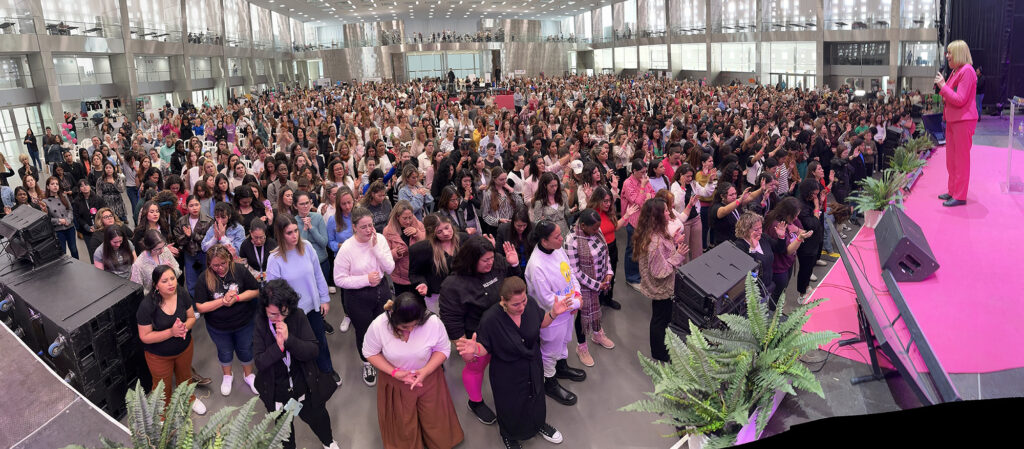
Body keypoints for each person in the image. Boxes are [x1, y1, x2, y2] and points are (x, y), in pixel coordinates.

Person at [454, 276, 569, 449]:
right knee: (510, 405)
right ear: (503, 301)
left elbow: (541, 323)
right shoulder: (491, 319)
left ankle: (538, 424)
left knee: (537, 396)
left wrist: (553, 313)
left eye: (523, 301)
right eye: (516, 304)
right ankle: (509, 435)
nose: (521, 307)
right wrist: (475, 348)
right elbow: (485, 347)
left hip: (532, 364)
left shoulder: (530, 304)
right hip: (506, 372)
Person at [362, 293, 465, 449]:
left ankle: (440, 442)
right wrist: (395, 372)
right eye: (404, 327)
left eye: (415, 325)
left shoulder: (432, 322)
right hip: (396, 382)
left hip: (428, 377)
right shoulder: (379, 325)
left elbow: (443, 349)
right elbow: (370, 352)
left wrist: (425, 371)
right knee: (403, 423)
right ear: (393, 318)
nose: (410, 330)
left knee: (434, 416)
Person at [438, 234, 520, 426]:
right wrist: (463, 347)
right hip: (477, 337)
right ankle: (475, 402)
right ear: (471, 259)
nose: (491, 262)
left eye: (492, 258)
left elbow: (515, 288)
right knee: (475, 368)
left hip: (504, 328)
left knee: (506, 364)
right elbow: (451, 320)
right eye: (485, 260)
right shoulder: (453, 285)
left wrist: (514, 265)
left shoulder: (498, 262)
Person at [253, 280, 341, 449]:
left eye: (283, 312)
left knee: (318, 418)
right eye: (273, 314)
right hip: (278, 391)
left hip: (303, 385)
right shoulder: (260, 323)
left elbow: (313, 350)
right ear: (264, 309)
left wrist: (289, 340)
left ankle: (328, 441)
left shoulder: (298, 315)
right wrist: (278, 348)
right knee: (284, 432)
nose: (279, 318)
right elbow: (260, 362)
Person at [266, 214, 340, 385]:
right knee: (299, 347)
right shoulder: (274, 259)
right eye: (289, 233)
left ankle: (327, 370)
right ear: (280, 234)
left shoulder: (307, 247)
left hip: (313, 307)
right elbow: (273, 291)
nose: (294, 236)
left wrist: (324, 298)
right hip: (292, 314)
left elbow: (318, 274)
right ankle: (307, 377)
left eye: (296, 231)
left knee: (320, 341)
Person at [524, 219, 585, 406]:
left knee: (565, 341)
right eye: (557, 236)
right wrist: (575, 302)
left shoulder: (557, 249)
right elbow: (546, 299)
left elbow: (570, 273)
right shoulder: (536, 265)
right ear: (544, 241)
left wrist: (577, 293)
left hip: (567, 310)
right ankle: (549, 382)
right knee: (550, 350)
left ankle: (562, 367)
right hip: (551, 317)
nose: (562, 238)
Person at [333, 206, 395, 387]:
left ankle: (382, 354)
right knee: (364, 331)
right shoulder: (347, 248)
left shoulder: (379, 239)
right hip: (358, 296)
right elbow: (339, 279)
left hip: (382, 290)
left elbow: (390, 268)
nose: (369, 230)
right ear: (354, 227)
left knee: (384, 325)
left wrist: (376, 249)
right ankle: (367, 363)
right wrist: (365, 279)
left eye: (371, 225)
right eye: (363, 227)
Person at [136, 265, 206, 415]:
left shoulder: (182, 293)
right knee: (162, 386)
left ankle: (188, 398)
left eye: (172, 278)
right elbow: (145, 337)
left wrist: (183, 328)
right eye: (165, 281)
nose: (171, 283)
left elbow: (191, 318)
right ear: (156, 285)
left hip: (184, 349)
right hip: (158, 356)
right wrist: (172, 332)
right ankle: (161, 414)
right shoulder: (147, 305)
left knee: (185, 377)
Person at [193, 244, 261, 397]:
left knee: (245, 348)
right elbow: (200, 307)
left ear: (229, 259)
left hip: (244, 323)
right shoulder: (204, 278)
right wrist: (222, 301)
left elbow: (255, 291)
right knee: (224, 351)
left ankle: (248, 375)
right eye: (215, 265)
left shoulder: (239, 270)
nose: (220, 268)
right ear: (209, 264)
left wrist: (237, 298)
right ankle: (227, 376)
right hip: (218, 327)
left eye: (223, 263)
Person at [633, 198, 688, 362]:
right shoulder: (654, 242)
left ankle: (662, 347)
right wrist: (678, 256)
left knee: (662, 317)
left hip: (663, 286)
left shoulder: (657, 233)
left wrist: (673, 242)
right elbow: (659, 271)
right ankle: (659, 352)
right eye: (665, 211)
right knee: (660, 320)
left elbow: (663, 256)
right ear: (657, 216)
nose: (668, 213)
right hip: (661, 287)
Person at [563, 209, 615, 368]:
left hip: (601, 282)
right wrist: (596, 285)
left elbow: (606, 254)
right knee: (583, 317)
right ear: (583, 225)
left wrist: (608, 273)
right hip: (584, 287)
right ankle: (582, 347)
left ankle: (597, 334)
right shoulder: (571, 241)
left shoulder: (597, 231)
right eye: (594, 228)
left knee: (597, 309)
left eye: (598, 227)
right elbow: (575, 272)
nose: (597, 230)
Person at [935, 40, 977, 207]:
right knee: (951, 160)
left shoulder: (967, 71)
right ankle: (953, 191)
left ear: (959, 53)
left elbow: (960, 100)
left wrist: (943, 86)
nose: (947, 56)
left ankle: (960, 195)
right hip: (953, 120)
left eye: (950, 52)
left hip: (963, 121)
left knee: (960, 160)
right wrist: (943, 87)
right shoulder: (956, 71)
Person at [586, 186, 636, 310]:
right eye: (605, 201)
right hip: (598, 251)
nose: (608, 204)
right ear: (598, 200)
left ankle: (607, 299)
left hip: (612, 247)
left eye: (610, 201)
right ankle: (597, 302)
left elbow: (615, 227)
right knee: (598, 277)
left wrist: (627, 215)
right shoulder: (591, 214)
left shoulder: (609, 212)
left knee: (610, 275)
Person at [408, 214, 464, 314]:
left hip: (462, 292)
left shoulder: (463, 239)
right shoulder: (422, 249)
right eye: (439, 232)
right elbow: (415, 273)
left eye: (447, 227)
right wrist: (421, 283)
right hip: (437, 298)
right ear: (432, 234)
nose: (446, 233)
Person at [620, 159, 655, 289]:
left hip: (645, 219)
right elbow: (638, 202)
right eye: (641, 172)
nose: (644, 174)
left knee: (643, 249)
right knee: (633, 250)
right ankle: (632, 278)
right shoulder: (627, 183)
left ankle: (641, 274)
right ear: (634, 171)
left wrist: (648, 195)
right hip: (633, 221)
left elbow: (653, 194)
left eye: (645, 171)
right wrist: (643, 188)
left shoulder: (644, 179)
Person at [382, 200, 426, 297]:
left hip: (418, 274)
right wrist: (395, 253)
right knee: (402, 303)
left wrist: (417, 233)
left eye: (410, 217)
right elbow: (385, 255)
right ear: (397, 217)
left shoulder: (418, 225)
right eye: (404, 218)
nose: (408, 221)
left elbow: (428, 242)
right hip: (400, 277)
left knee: (419, 303)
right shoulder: (388, 231)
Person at [174, 195, 212, 297]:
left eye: (196, 205)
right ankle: (194, 304)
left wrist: (193, 235)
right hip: (189, 254)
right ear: (186, 206)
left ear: (200, 205)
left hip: (204, 254)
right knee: (191, 283)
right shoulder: (182, 221)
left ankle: (206, 301)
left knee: (207, 280)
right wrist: (186, 237)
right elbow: (178, 240)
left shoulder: (208, 220)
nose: (194, 208)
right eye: (191, 205)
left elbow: (209, 241)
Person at [795, 179, 826, 303]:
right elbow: (813, 224)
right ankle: (801, 293)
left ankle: (807, 285)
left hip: (814, 241)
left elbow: (817, 219)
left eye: (817, 194)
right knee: (805, 269)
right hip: (806, 244)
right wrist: (817, 206)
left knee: (810, 267)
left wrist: (819, 203)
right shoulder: (801, 206)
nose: (815, 197)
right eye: (814, 194)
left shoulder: (811, 201)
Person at [43, 176, 78, 259]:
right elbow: (46, 218)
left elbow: (70, 209)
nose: (55, 186)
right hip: (58, 230)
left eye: (57, 184)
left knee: (74, 249)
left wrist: (68, 220)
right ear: (48, 187)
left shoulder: (64, 196)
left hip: (70, 227)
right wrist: (58, 221)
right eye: (52, 184)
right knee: (62, 251)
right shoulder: (45, 201)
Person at [529, 172, 571, 238]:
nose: (555, 188)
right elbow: (537, 223)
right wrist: (542, 221)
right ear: (545, 186)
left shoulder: (562, 196)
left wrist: (571, 210)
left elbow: (567, 213)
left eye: (556, 185)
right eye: (552, 186)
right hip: (550, 233)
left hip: (565, 231)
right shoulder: (539, 202)